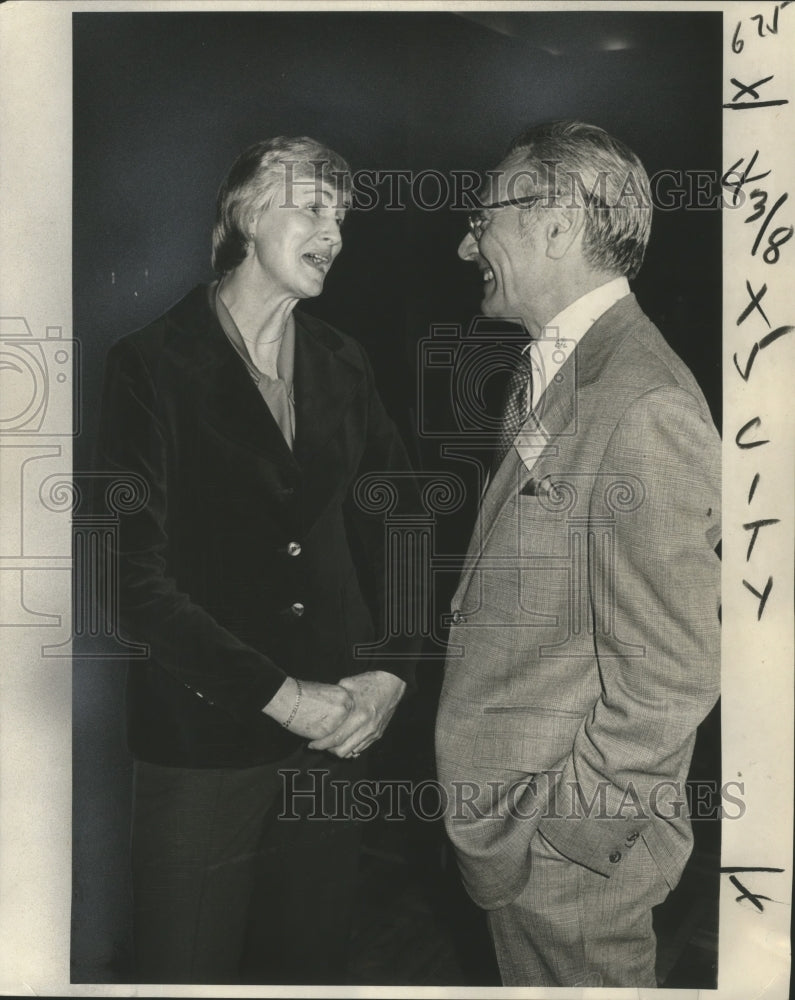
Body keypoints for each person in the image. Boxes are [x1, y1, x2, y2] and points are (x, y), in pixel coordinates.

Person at [96, 136, 417, 985]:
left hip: (337, 739)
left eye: (341, 215)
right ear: (244, 214)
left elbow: (404, 523)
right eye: (312, 206)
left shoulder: (343, 362)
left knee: (307, 968)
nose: (334, 231)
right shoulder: (148, 366)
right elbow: (126, 580)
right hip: (203, 744)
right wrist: (280, 698)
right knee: (183, 971)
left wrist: (390, 670)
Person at [435, 121, 721, 988]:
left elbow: (672, 673)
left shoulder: (641, 406)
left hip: (566, 860)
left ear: (555, 227)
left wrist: (564, 839)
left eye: (482, 220)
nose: (463, 245)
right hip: (526, 834)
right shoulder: (564, 371)